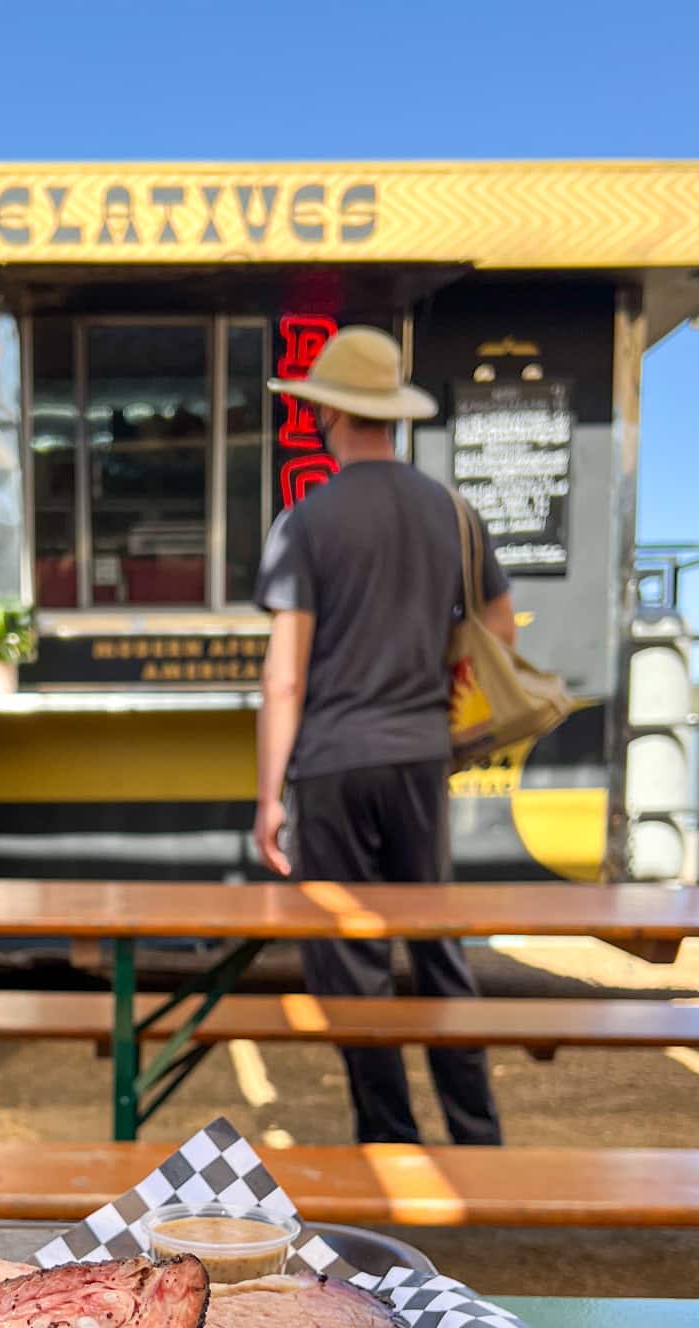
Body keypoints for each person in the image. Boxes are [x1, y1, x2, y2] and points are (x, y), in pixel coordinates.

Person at [252, 326, 510, 1147]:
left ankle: (390, 1137)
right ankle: (478, 1136)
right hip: (419, 758)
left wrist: (267, 796)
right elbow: (499, 627)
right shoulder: (453, 512)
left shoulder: (305, 521)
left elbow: (284, 675)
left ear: (328, 412)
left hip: (330, 762)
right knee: (438, 949)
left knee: (351, 959)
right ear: (392, 415)